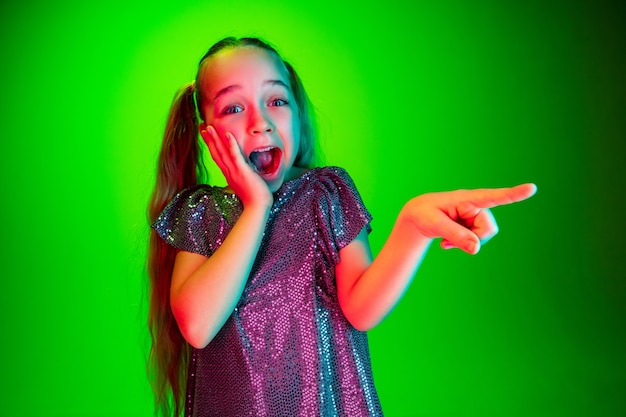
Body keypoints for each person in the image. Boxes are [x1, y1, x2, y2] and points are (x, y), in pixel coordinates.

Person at [147, 37, 536, 417]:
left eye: (277, 101)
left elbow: (361, 309)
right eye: (233, 107)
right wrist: (256, 207)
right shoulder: (200, 212)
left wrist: (413, 228)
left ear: (296, 114)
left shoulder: (325, 194)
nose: (260, 123)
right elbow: (197, 325)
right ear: (207, 133)